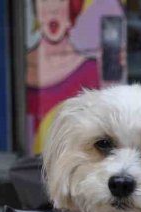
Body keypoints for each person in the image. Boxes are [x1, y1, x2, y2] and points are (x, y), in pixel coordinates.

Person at [26, 0, 99, 154]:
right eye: (45, 1)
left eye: (60, 0)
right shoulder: (21, 65)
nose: (53, 10)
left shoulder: (90, 69)